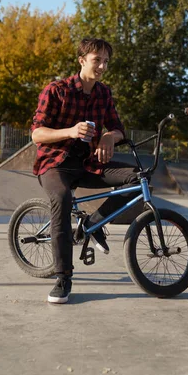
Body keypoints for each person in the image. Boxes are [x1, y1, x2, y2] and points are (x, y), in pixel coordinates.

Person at [31, 38, 138, 304]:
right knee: (62, 199)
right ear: (82, 60)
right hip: (55, 163)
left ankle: (91, 223)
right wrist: (70, 131)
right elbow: (37, 133)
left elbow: (117, 128)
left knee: (138, 179)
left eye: (106, 61)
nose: (102, 66)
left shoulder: (104, 93)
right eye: (96, 60)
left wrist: (109, 138)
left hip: (89, 163)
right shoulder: (56, 90)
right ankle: (63, 277)